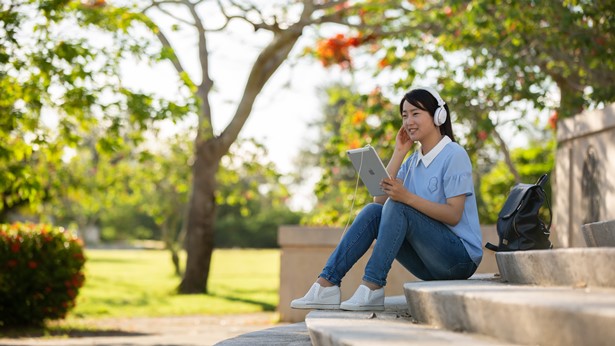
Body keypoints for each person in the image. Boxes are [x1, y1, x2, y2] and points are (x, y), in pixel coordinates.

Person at [291, 86, 483, 311]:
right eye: (404, 115)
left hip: (459, 260)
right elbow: (380, 201)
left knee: (399, 205)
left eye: (415, 113)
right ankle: (327, 284)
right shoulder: (412, 161)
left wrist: (407, 197)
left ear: (438, 116)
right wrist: (399, 153)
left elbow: (453, 215)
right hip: (428, 264)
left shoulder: (454, 154)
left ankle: (372, 286)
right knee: (374, 212)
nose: (408, 121)